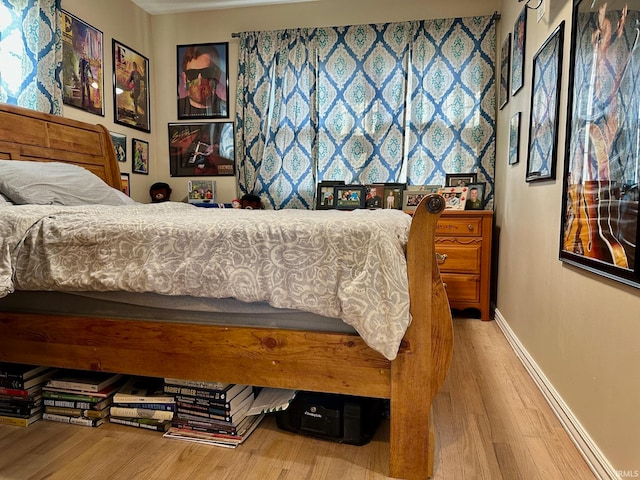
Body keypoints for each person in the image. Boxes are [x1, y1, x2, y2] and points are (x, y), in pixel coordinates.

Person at [178, 45, 226, 118]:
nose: (200, 81)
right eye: (192, 74)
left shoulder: (226, 108)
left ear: (217, 75)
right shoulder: (175, 108)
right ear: (185, 78)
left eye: (207, 72)